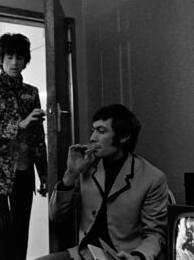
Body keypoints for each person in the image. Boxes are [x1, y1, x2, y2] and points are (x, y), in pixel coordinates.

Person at [36, 104, 168, 260]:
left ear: (124, 136)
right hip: (84, 254)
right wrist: (71, 174)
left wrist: (138, 256)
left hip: (124, 256)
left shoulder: (152, 178)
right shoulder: (87, 167)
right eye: (93, 130)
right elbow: (57, 216)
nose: (92, 138)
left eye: (101, 131)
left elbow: (155, 234)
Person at [0, 33, 48, 260]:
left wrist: (44, 173)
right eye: (9, 57)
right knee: (2, 228)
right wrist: (20, 124)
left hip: (24, 169)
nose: (14, 62)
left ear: (26, 60)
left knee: (20, 231)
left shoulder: (31, 92)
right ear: (1, 59)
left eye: (19, 57)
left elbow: (37, 136)